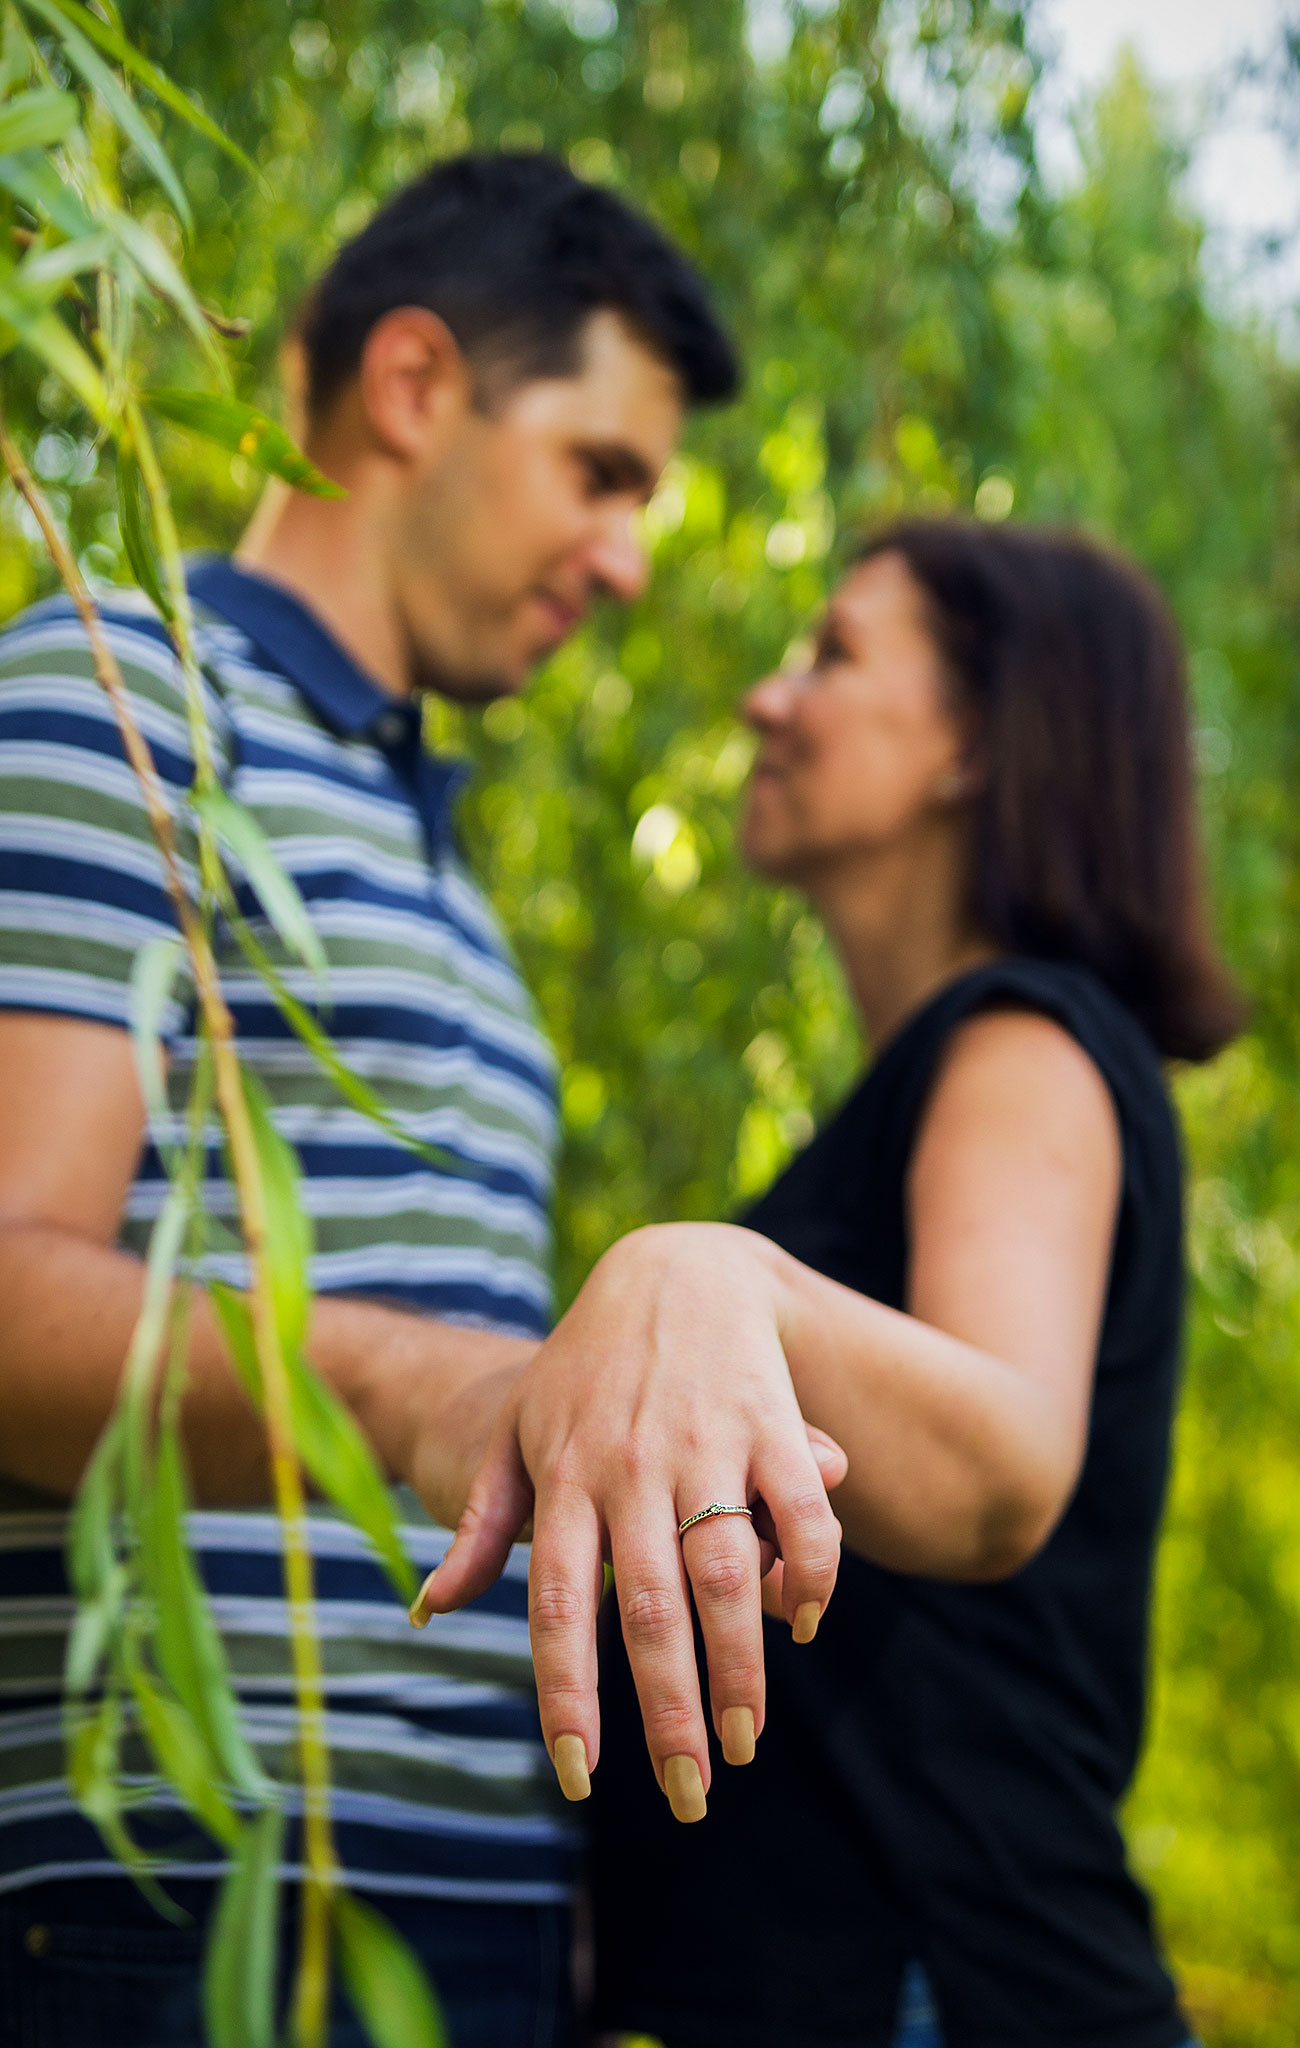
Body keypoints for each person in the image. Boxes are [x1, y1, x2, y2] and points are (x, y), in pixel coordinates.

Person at [0, 149, 834, 2047]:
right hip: (196, 1899)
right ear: (413, 387)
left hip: (486, 1921)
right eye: (601, 471)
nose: (627, 557)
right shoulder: (123, 689)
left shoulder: (446, 874)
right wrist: (452, 1388)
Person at [435, 519, 1240, 2046]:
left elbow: (1000, 1468)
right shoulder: (934, 1083)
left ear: (975, 748)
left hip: (951, 1988)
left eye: (833, 655)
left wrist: (710, 1274)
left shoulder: (1025, 1046)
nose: (763, 699)